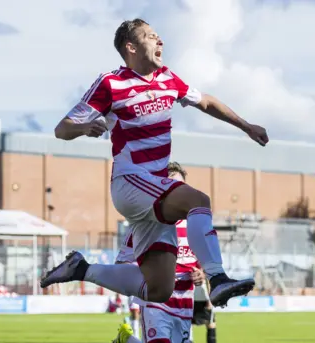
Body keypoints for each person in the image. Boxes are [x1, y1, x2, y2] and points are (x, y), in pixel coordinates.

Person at [41, 18, 268, 310]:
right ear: (131, 47)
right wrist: (85, 128)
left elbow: (207, 102)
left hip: (154, 190)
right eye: (151, 36)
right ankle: (218, 278)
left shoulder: (168, 78)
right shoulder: (111, 83)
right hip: (131, 181)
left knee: (160, 288)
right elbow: (63, 128)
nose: (160, 41)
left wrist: (246, 126)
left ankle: (82, 269)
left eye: (159, 36)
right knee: (198, 200)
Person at [106, 162, 205, 343]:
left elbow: (204, 264)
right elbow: (122, 264)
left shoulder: (196, 227)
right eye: (169, 184)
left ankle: (127, 339)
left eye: (180, 186)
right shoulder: (145, 222)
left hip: (184, 305)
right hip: (156, 302)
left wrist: (201, 275)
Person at [190, 250, 230, 343]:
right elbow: (207, 279)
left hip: (190, 295)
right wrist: (210, 300)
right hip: (203, 297)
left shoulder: (190, 257)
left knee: (184, 323)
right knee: (211, 324)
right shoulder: (205, 258)